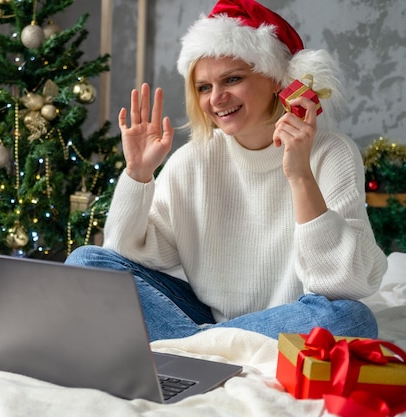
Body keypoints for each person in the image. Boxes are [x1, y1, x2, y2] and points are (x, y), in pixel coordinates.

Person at [65, 0, 388, 342]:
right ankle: (213, 342)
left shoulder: (331, 152)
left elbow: (345, 282)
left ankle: (193, 344)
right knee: (86, 261)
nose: (217, 98)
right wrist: (138, 174)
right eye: (204, 87)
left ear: (278, 81)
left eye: (232, 79)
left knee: (352, 319)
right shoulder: (192, 159)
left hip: (294, 316)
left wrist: (300, 175)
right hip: (213, 318)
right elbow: (127, 253)